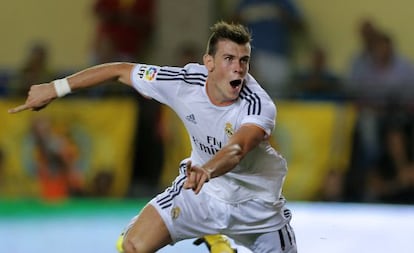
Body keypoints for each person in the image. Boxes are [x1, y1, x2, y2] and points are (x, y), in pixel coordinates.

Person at [8, 21, 296, 253]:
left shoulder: (258, 104)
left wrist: (207, 170)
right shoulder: (183, 83)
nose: (238, 68)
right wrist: (55, 88)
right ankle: (212, 235)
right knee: (132, 245)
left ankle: (216, 237)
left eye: (244, 60)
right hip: (202, 196)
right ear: (208, 62)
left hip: (258, 211)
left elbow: (237, 149)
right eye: (229, 59)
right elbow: (119, 70)